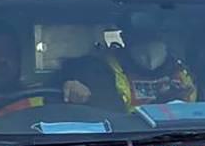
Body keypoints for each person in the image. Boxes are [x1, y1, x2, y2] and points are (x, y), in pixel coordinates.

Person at [62, 18, 196, 112]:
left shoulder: (188, 68)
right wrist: (159, 103)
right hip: (125, 142)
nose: (148, 46)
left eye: (156, 37)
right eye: (139, 39)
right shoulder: (97, 70)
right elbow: (112, 119)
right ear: (126, 39)